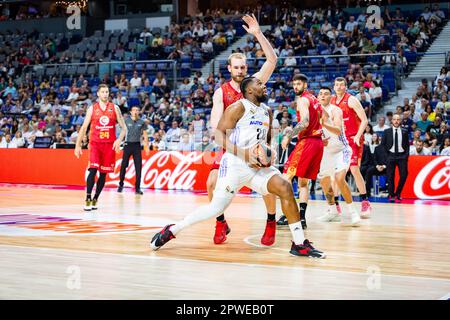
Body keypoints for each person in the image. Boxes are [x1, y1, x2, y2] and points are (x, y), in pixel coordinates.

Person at [150, 77, 326, 258]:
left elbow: (265, 141)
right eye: (259, 84)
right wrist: (245, 154)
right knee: (216, 208)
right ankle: (173, 229)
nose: (264, 86)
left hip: (256, 166)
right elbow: (219, 136)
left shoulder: (267, 111)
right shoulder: (238, 107)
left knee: (285, 187)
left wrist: (269, 152)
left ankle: (298, 243)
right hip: (235, 164)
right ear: (249, 90)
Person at [207, 14, 278, 245]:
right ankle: (220, 222)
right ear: (229, 69)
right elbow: (215, 128)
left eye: (243, 67)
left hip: (256, 142)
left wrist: (257, 33)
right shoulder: (221, 92)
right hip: (234, 146)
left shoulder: (254, 84)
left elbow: (272, 60)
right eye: (236, 67)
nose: (240, 70)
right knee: (211, 181)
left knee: (268, 181)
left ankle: (270, 222)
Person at [277, 74, 324, 229]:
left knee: (285, 178)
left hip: (307, 142)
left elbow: (304, 122)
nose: (295, 87)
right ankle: (302, 218)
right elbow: (322, 119)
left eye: (298, 84)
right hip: (318, 144)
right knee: (303, 182)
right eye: (294, 84)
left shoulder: (303, 100)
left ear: (305, 85)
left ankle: (288, 214)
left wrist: (288, 135)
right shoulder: (314, 99)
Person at [74, 84, 127, 211]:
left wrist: (119, 140)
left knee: (103, 174)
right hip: (95, 144)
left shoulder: (115, 108)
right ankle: (87, 198)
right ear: (98, 94)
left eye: (107, 92)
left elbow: (124, 128)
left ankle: (95, 198)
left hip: (109, 146)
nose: (105, 94)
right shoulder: (92, 109)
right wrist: (78, 145)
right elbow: (83, 128)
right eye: (103, 92)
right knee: (92, 170)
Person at [315, 87, 360, 225]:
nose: (323, 96)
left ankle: (353, 212)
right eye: (320, 94)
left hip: (342, 149)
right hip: (326, 151)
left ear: (331, 97)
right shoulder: (313, 111)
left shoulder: (335, 110)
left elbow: (337, 129)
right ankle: (332, 210)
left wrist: (323, 123)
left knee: (339, 178)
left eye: (326, 94)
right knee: (324, 181)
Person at [332, 77, 371, 217]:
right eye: (336, 85)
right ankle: (335, 205)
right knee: (336, 173)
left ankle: (365, 201)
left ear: (346, 87)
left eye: (341, 85)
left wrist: (357, 136)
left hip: (353, 137)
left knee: (354, 169)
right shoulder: (331, 101)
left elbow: (365, 120)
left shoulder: (351, 100)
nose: (339, 87)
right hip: (339, 139)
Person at [117, 106, 150, 195]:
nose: (136, 111)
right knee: (124, 165)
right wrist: (118, 142)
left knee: (138, 167)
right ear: (131, 112)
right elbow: (122, 133)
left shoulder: (142, 122)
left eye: (137, 110)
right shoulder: (126, 121)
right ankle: (121, 184)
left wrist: (146, 146)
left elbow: (145, 135)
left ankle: (137, 188)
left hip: (137, 146)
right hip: (127, 145)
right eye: (134, 110)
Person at [380, 114, 410, 202]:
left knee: (404, 175)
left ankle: (398, 193)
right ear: (392, 121)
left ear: (400, 121)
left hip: (402, 156)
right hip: (391, 156)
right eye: (394, 119)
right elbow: (383, 145)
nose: (396, 121)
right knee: (390, 176)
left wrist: (405, 156)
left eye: (398, 119)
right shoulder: (386, 131)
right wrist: (387, 156)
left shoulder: (404, 131)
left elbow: (407, 145)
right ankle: (391, 194)